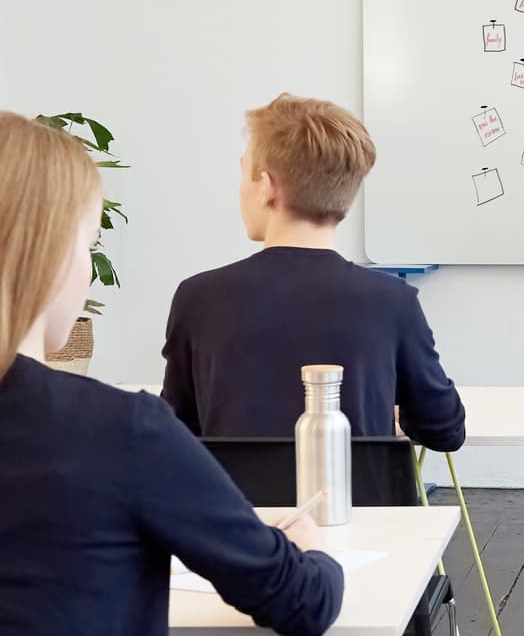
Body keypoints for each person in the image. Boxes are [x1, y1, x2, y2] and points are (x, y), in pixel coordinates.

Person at [0, 111, 342, 636]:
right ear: (46, 255)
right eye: (89, 246)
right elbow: (302, 602)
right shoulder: (120, 431)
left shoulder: (197, 299)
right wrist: (314, 552)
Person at [161, 93, 465, 451]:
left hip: (238, 507)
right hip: (361, 507)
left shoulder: (199, 298)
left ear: (267, 188)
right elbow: (445, 431)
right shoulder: (392, 301)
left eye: (245, 173)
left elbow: (175, 433)